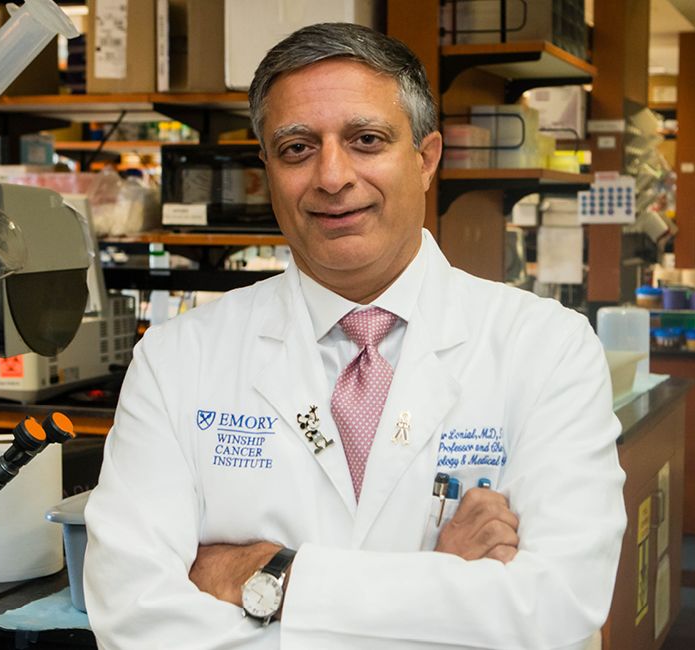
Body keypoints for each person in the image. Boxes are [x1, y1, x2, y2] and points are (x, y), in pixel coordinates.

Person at [84, 23, 626, 650]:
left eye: (366, 140)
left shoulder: (548, 347)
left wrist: (275, 576)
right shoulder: (177, 358)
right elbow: (134, 617)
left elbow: (555, 605)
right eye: (296, 149)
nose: (332, 176)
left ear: (426, 159)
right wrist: (442, 580)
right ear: (267, 170)